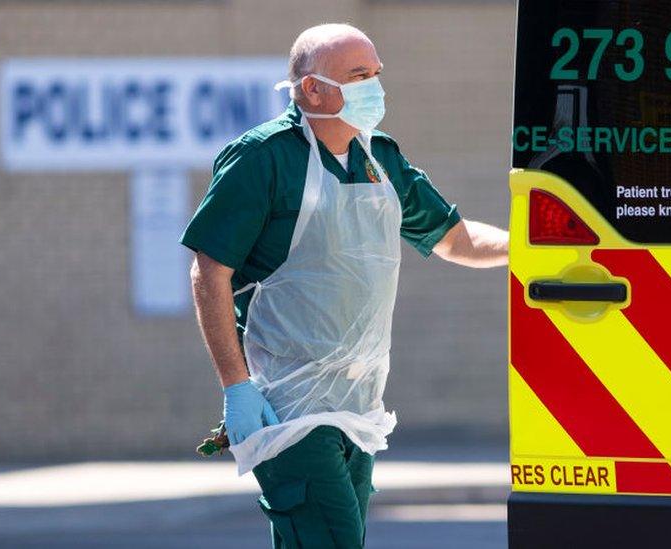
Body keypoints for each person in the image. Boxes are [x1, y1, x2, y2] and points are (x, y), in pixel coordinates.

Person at [181, 23, 508, 549]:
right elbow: (208, 272)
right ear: (311, 88)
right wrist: (237, 388)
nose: (373, 88)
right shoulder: (262, 159)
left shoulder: (380, 157)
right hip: (286, 407)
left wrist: (531, 247)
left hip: (359, 407)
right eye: (359, 76)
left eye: (376, 74)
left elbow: (455, 238)